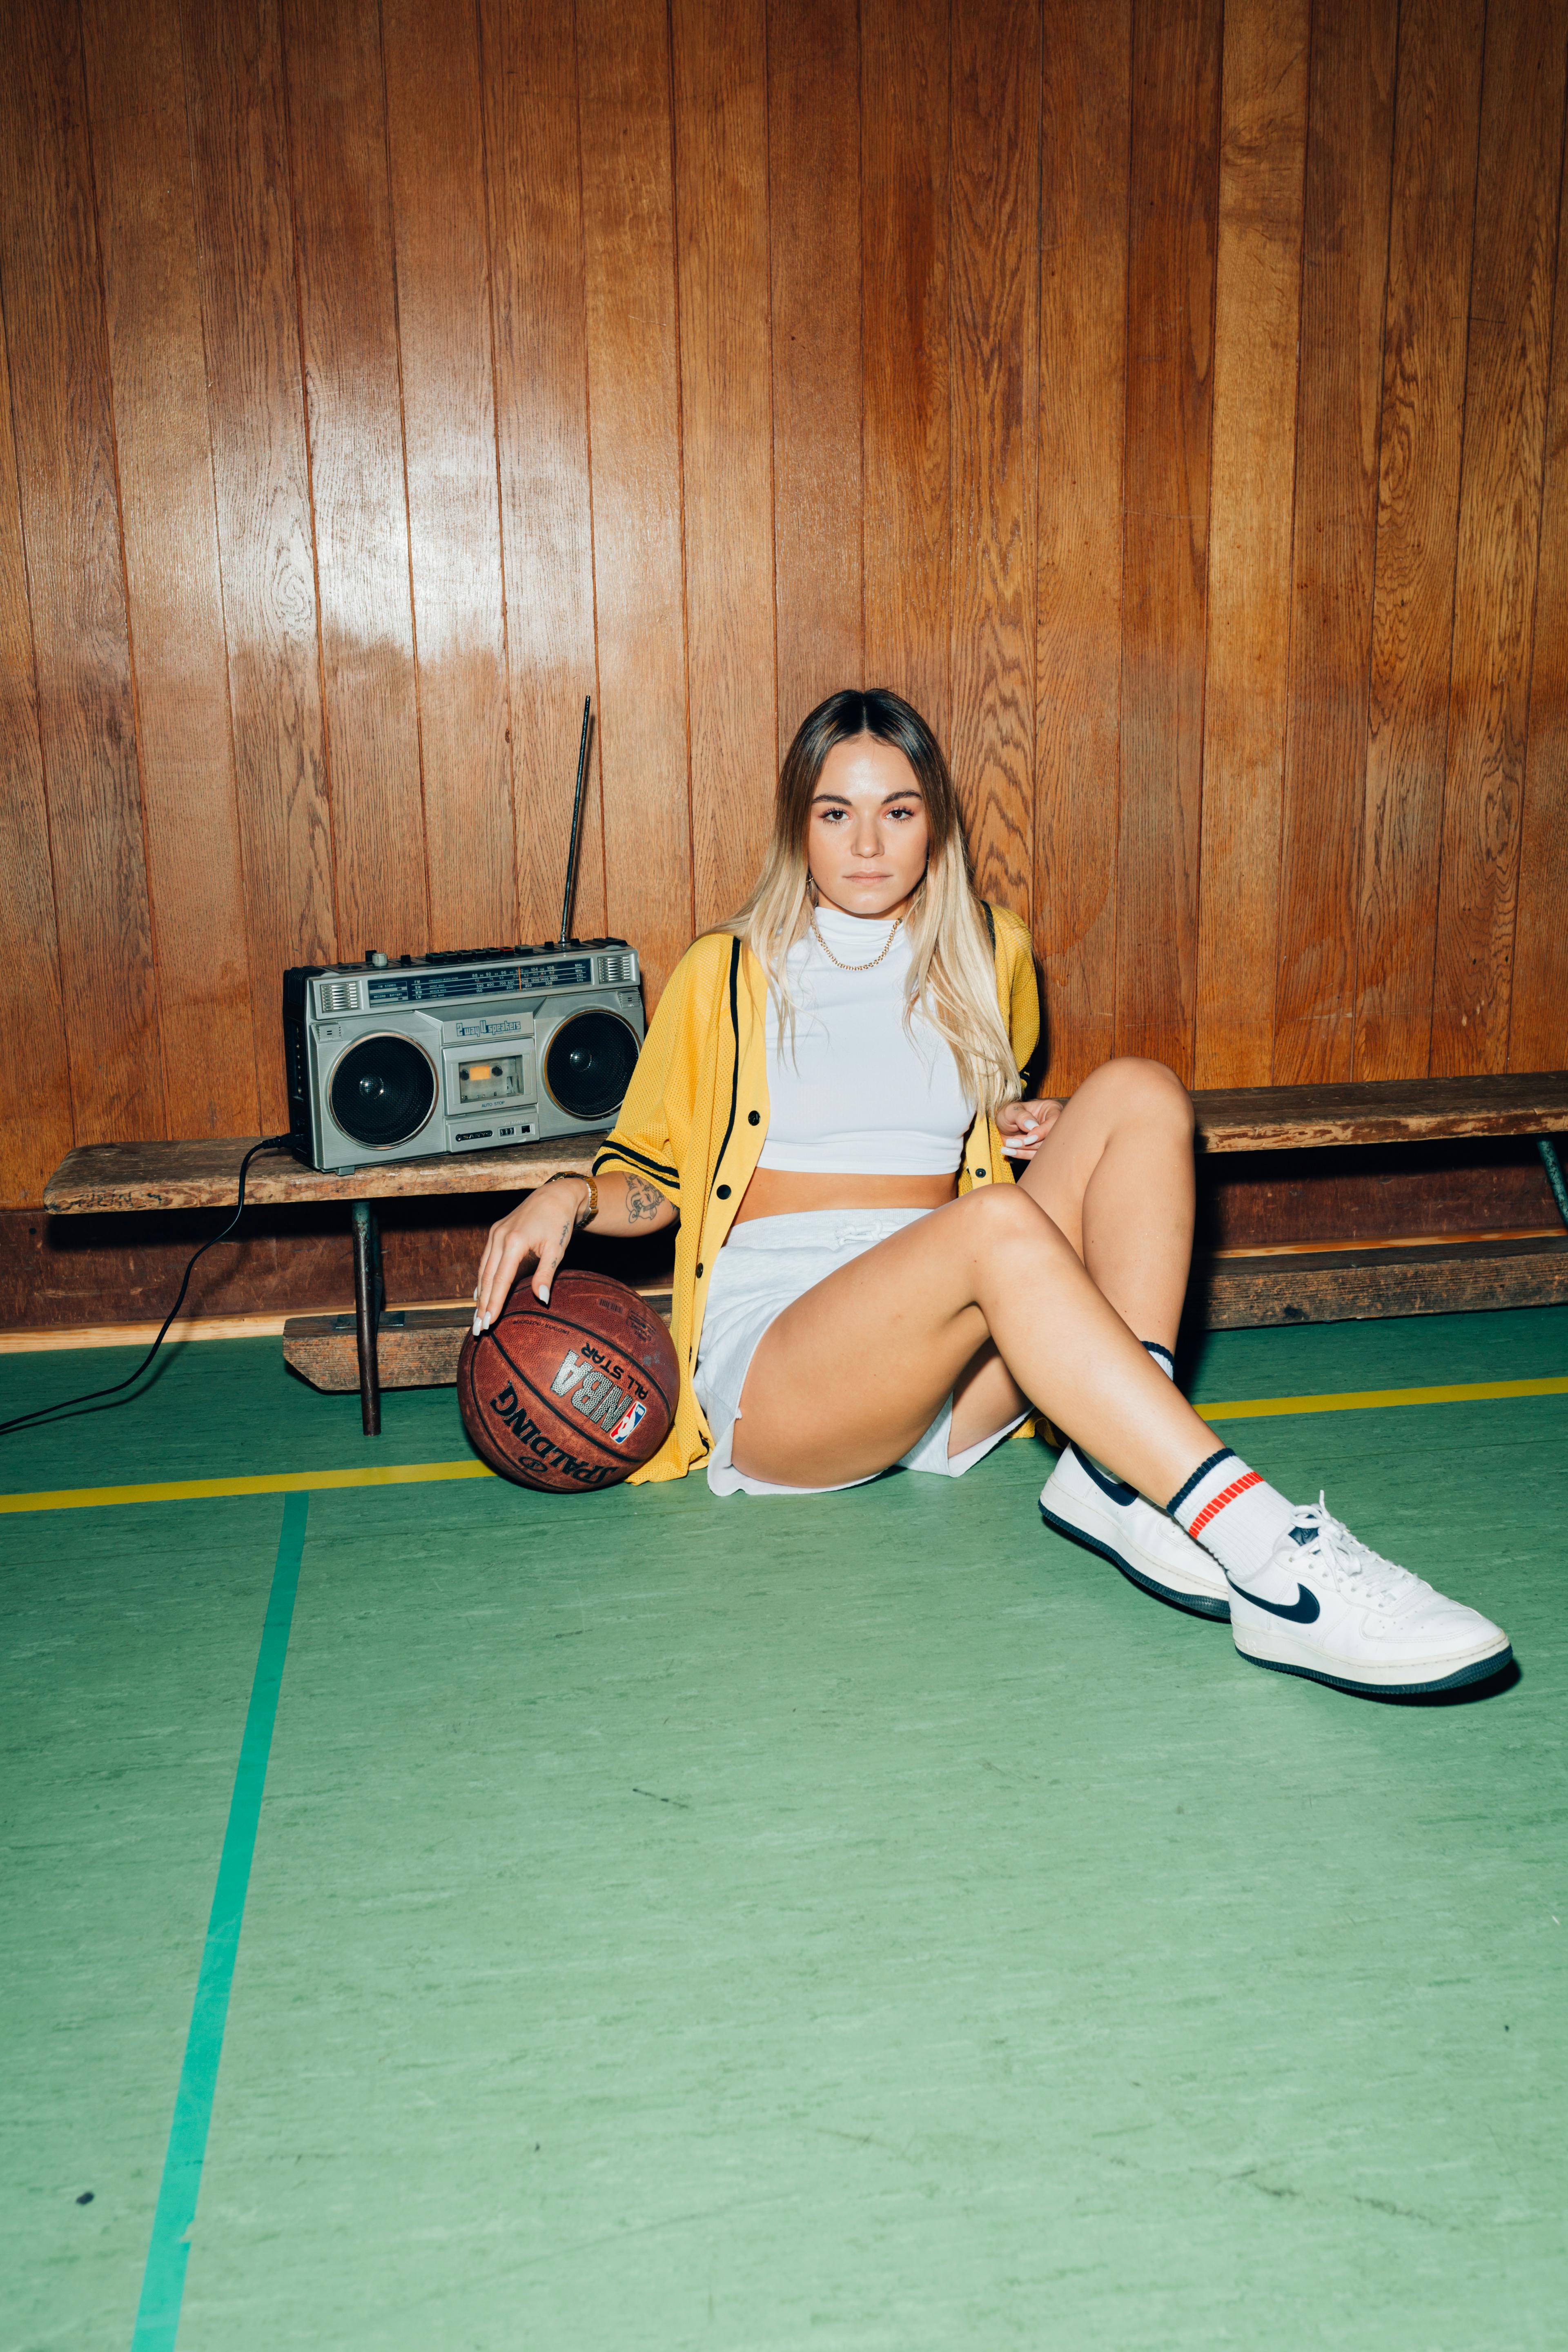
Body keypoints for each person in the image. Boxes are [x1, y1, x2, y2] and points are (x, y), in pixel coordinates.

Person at [474, 688, 1510, 1699]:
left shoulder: (988, 948)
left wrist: (1024, 1130)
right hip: (789, 1367)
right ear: (800, 826)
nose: (868, 845)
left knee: (1139, 1094)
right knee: (994, 1228)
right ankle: (1270, 1554)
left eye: (898, 812)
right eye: (837, 813)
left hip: (955, 1353)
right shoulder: (727, 972)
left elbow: (968, 1130)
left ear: (936, 826)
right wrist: (568, 1193)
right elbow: (656, 1182)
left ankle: (1111, 1477)